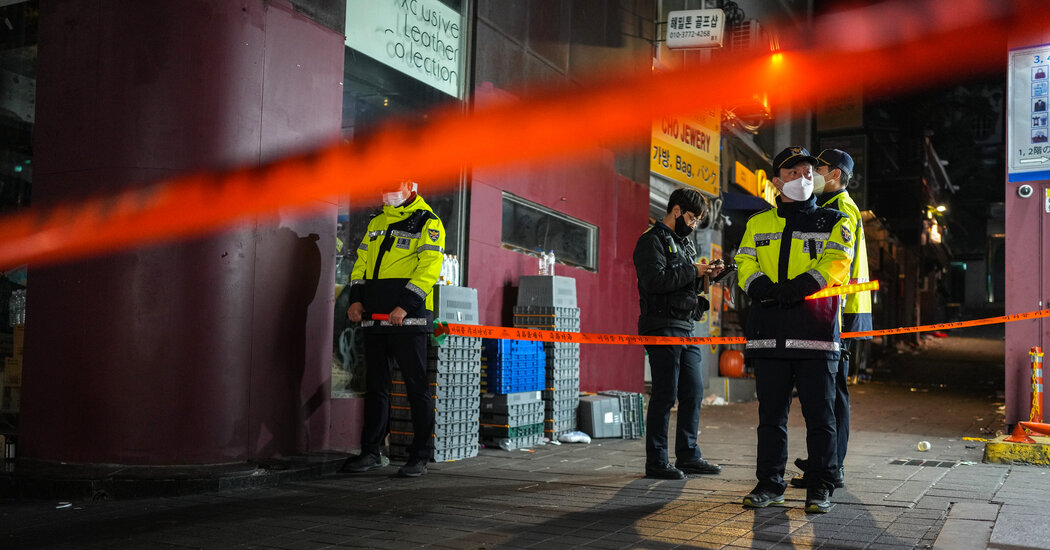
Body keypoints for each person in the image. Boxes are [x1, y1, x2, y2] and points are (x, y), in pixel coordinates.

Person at [734, 146, 853, 513]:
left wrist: (799, 287)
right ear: (775, 182)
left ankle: (821, 486)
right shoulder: (757, 223)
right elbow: (743, 262)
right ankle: (770, 483)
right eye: (792, 173)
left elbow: (838, 263)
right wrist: (763, 289)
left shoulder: (834, 221)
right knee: (771, 418)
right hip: (769, 332)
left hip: (815, 334)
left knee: (821, 418)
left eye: (807, 172)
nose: (802, 179)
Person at [342, 181, 446, 478]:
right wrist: (357, 300)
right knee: (377, 388)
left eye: (393, 187)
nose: (386, 193)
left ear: (409, 188)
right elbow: (361, 263)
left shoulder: (428, 222)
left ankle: (419, 457)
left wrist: (405, 306)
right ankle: (371, 452)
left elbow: (429, 268)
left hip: (407, 320)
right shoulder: (377, 221)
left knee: (417, 390)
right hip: (374, 318)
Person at [790, 148, 873, 491]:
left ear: (835, 174)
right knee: (827, 391)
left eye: (818, 169)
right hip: (845, 309)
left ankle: (831, 466)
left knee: (833, 393)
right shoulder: (836, 207)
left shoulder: (841, 209)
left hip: (842, 311)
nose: (813, 176)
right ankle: (824, 460)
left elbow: (838, 265)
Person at [633, 187, 725, 480]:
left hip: (686, 327)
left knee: (693, 390)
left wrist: (708, 277)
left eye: (697, 220)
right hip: (661, 326)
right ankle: (657, 461)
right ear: (676, 211)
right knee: (665, 393)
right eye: (692, 218)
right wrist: (694, 273)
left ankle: (688, 455)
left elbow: (686, 283)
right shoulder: (651, 241)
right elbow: (656, 280)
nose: (694, 224)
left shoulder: (685, 245)